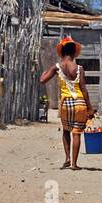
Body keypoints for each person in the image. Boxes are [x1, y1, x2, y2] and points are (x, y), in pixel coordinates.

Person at [39, 36, 95, 170]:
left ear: (62, 53)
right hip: (80, 103)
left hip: (65, 103)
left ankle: (67, 158)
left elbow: (42, 80)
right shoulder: (79, 68)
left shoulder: (57, 67)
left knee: (65, 131)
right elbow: (84, 89)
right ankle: (74, 164)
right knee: (76, 132)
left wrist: (46, 70)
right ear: (74, 52)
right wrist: (90, 109)